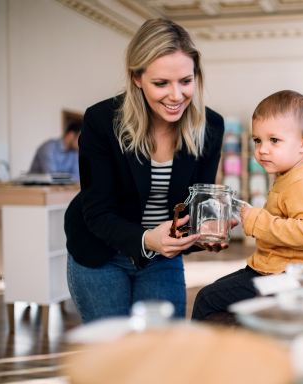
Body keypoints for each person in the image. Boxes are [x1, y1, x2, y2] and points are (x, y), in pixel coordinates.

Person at [64, 18, 229, 324]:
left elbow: (195, 204)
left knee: (161, 351)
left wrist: (204, 230)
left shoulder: (210, 127)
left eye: (185, 80)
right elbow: (97, 211)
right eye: (161, 83)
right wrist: (147, 240)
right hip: (100, 253)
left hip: (161, 257)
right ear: (137, 78)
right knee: (114, 357)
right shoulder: (101, 121)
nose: (176, 95)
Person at [191, 90, 303, 321]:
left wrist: (256, 220)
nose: (262, 149)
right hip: (277, 268)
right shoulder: (291, 176)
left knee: (206, 299)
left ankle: (207, 354)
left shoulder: (301, 183)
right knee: (219, 288)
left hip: (290, 277)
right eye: (257, 140)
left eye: (274, 140)